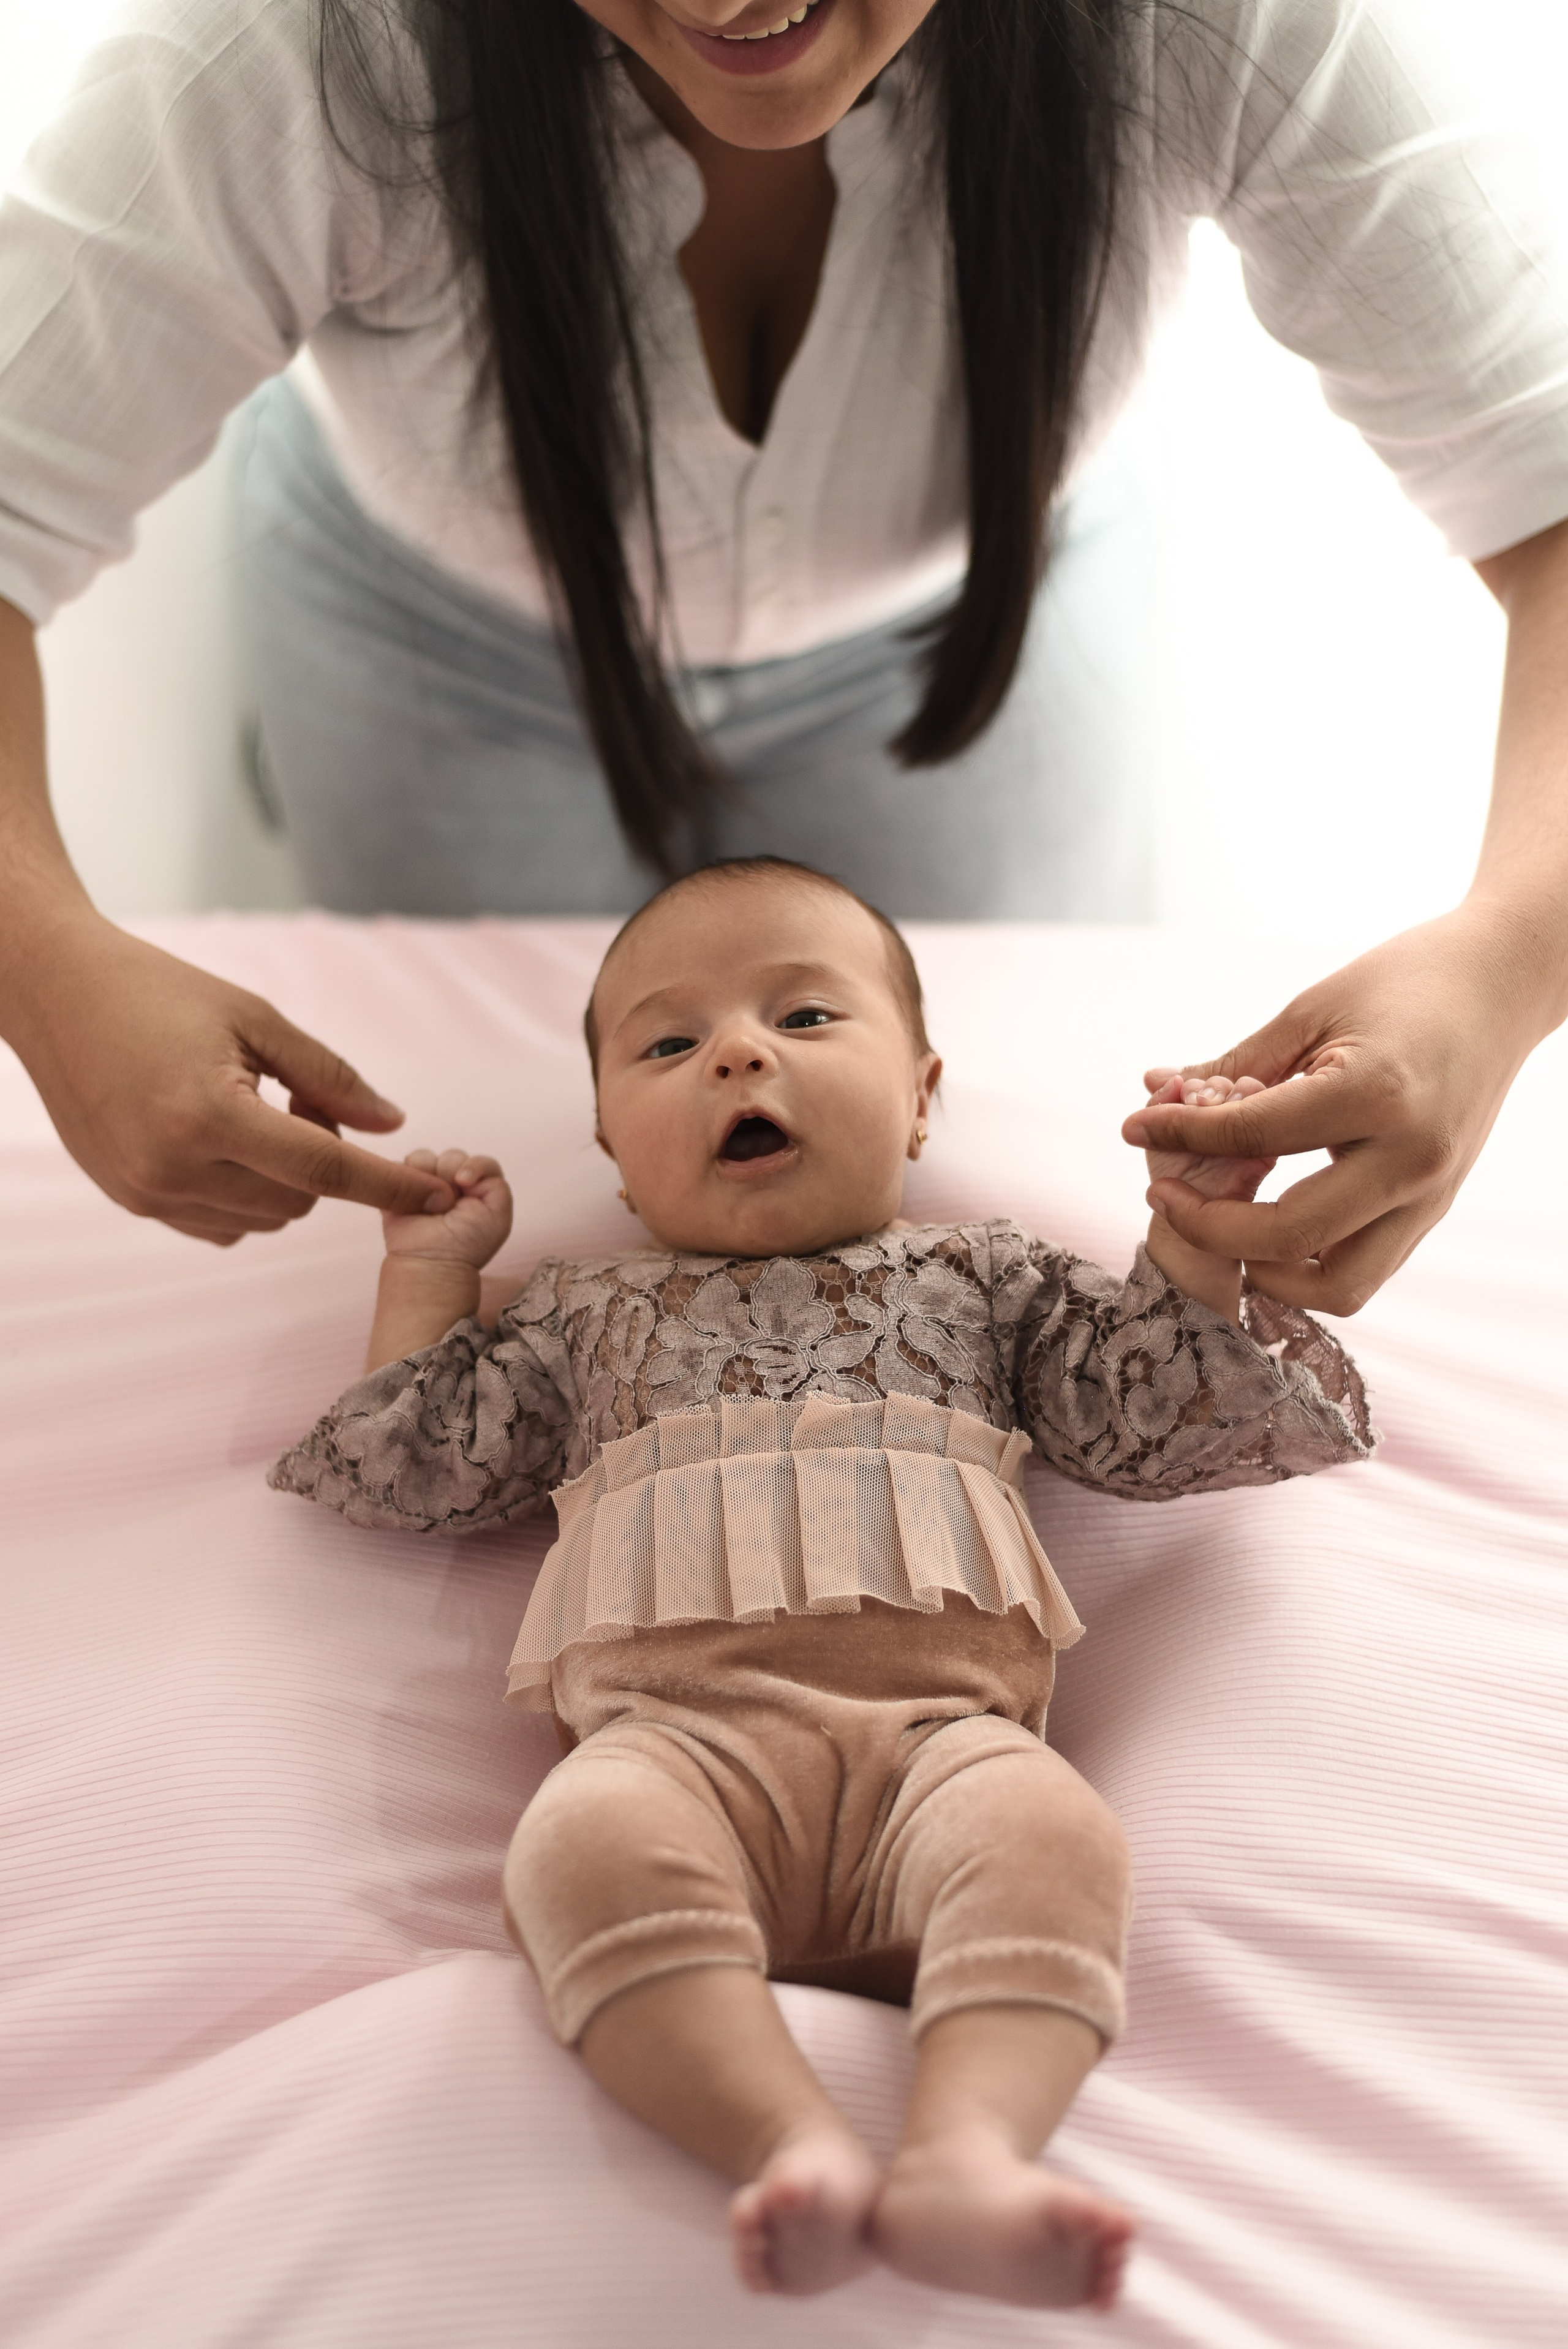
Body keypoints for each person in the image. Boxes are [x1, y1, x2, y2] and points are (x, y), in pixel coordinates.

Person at [0, 0, 1566, 1299]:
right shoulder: (279, 52)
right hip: (431, 646)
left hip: (977, 629)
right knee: (490, 1111)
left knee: (981, 1140)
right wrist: (44, 962)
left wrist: (1506, 961)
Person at [270, 856, 1374, 2306]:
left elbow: (1149, 1418)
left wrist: (1190, 1230)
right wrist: (428, 1269)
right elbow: (413, 1465)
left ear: (920, 1097)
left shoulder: (982, 1277)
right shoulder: (576, 1314)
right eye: (668, 1045)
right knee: (572, 1850)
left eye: (802, 1015)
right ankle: (787, 2140)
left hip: (948, 1748)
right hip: (673, 1752)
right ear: (610, 1148)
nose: (736, 1051)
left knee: (1062, 1842)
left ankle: (969, 2150)